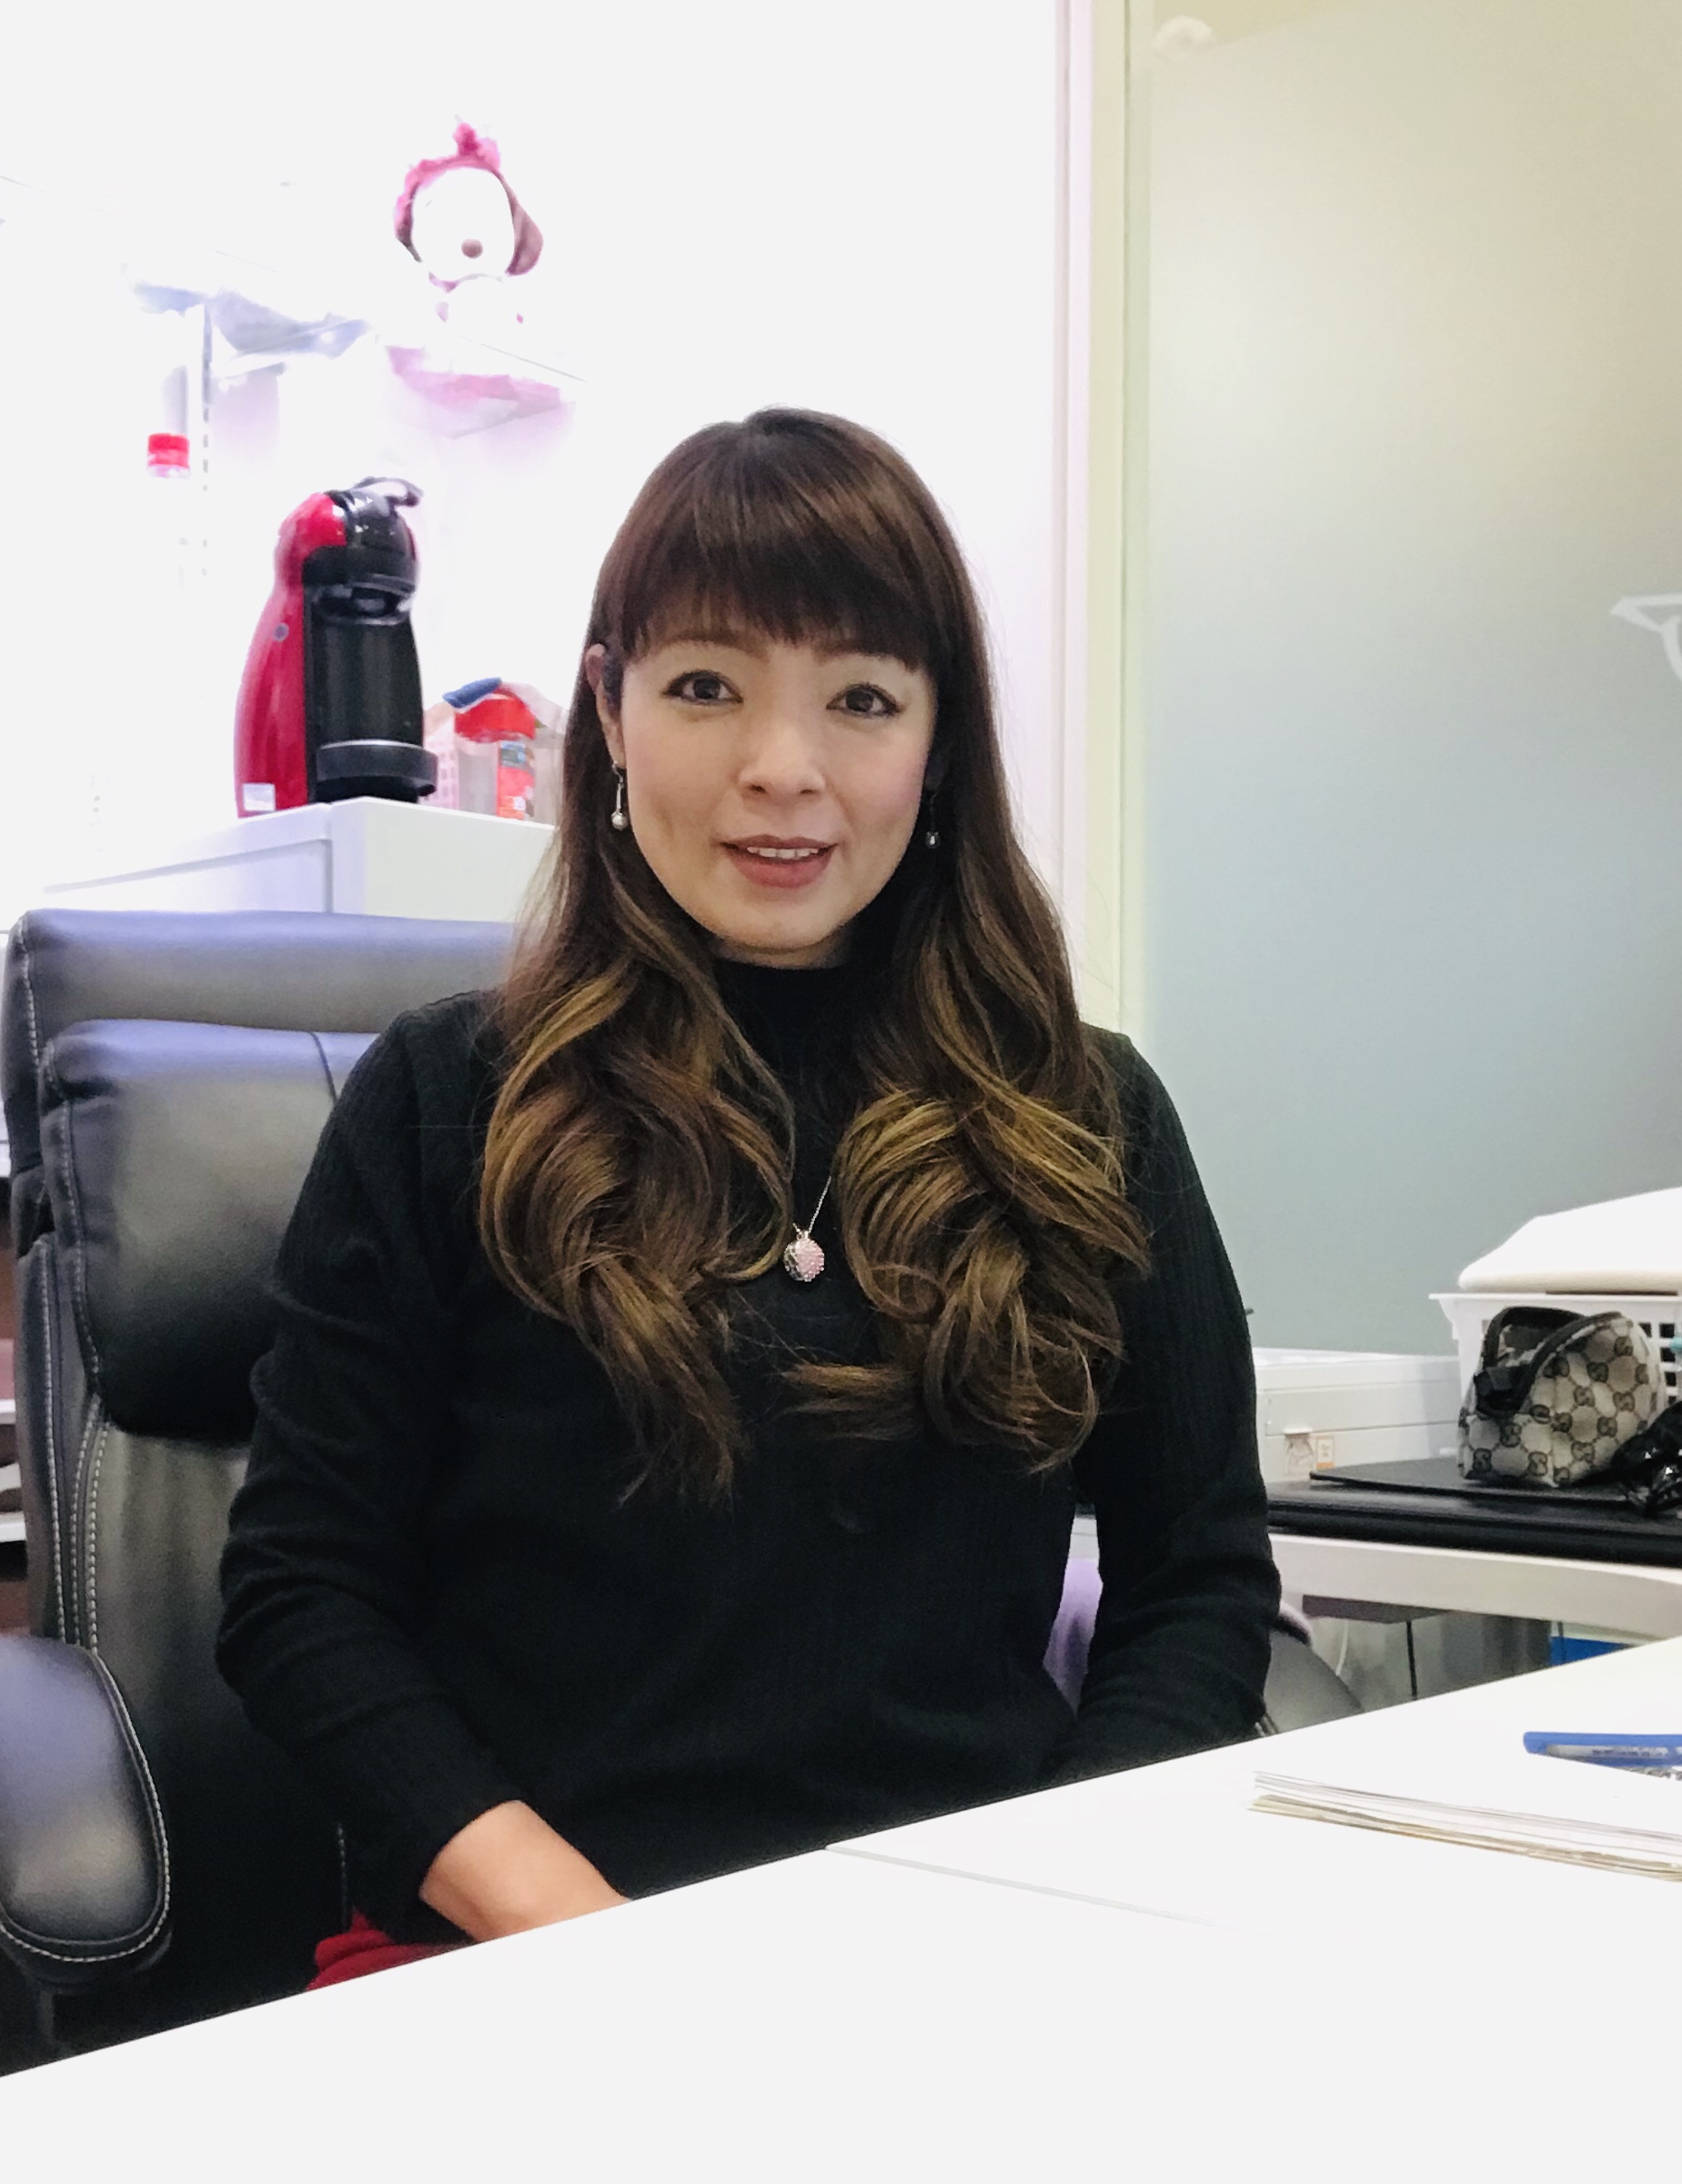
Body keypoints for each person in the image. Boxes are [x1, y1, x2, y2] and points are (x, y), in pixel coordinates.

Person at [216, 408, 1279, 1978]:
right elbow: (300, 1594)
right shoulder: (448, 1102)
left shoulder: (1085, 1114)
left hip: (982, 1951)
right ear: (610, 710)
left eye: (860, 698)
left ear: (939, 739)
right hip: (533, 1959)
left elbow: (1196, 1583)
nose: (782, 769)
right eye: (706, 686)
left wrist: (1050, 1905)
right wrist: (595, 1942)